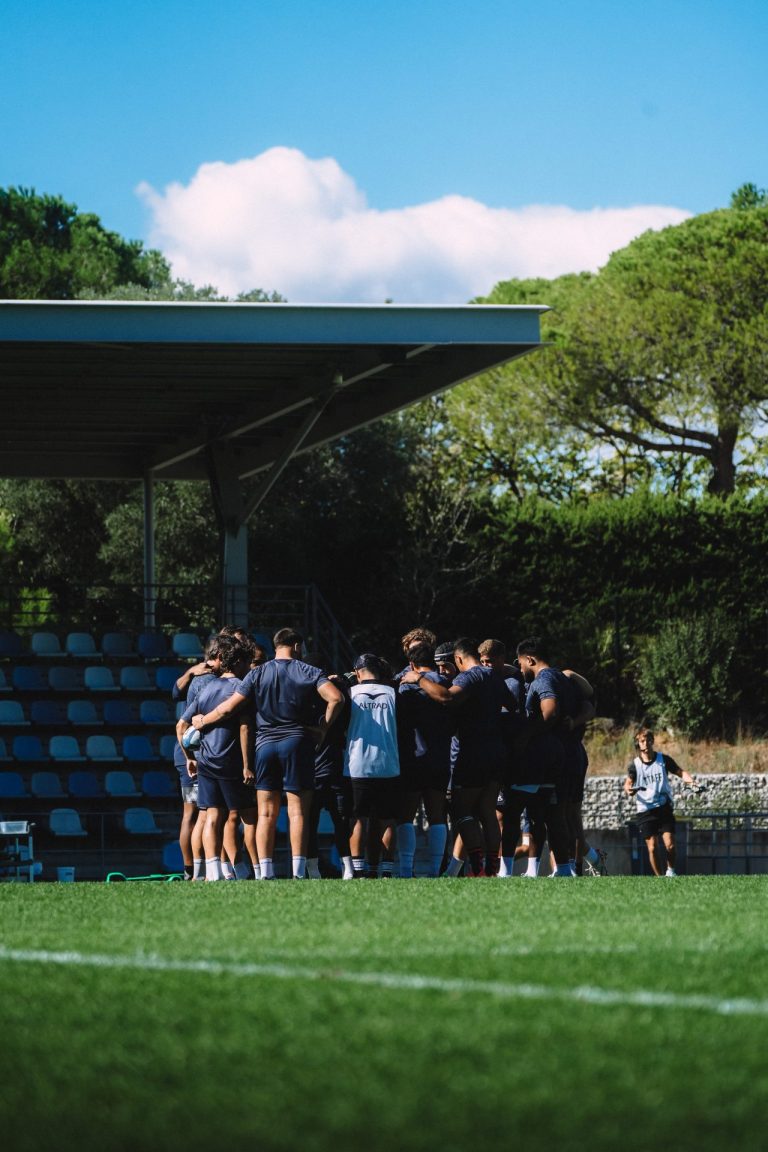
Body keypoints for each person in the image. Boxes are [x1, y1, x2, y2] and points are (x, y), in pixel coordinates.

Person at [193, 628, 344, 879]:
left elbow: (228, 709)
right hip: (296, 742)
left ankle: (266, 872)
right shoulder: (308, 670)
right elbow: (336, 698)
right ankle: (298, 872)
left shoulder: (258, 672)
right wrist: (322, 729)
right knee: (297, 811)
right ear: (296, 646)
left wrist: (202, 722)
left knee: (265, 813)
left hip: (264, 746)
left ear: (276, 647)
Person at [401, 638, 509, 877]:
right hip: (496, 751)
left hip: (473, 752)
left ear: (458, 658)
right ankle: (493, 866)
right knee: (487, 810)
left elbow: (447, 697)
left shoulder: (467, 677)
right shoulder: (493, 676)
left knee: (462, 810)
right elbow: (511, 705)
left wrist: (418, 679)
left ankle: (478, 864)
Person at [177, 635, 256, 882]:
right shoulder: (241, 689)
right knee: (250, 816)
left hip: (207, 760)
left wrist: (190, 757)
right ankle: (256, 871)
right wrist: (247, 765)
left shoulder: (206, 687)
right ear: (240, 662)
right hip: (231, 759)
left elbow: (181, 726)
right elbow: (244, 728)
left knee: (213, 815)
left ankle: (213, 872)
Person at [396, 642, 454, 877]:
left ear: (412, 664)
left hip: (412, 756)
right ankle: (434, 869)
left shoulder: (405, 686)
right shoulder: (445, 682)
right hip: (440, 756)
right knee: (437, 814)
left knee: (406, 815)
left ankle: (405, 869)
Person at [343, 653, 402, 877]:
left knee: (358, 818)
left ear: (358, 672)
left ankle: (358, 870)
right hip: (388, 764)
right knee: (387, 820)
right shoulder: (393, 693)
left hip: (357, 764)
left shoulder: (350, 693)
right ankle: (386, 870)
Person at [625, 727, 698, 876]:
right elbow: (628, 783)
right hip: (645, 810)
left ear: (652, 741)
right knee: (652, 847)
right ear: (638, 744)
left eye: (647, 740)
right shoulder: (635, 765)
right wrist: (630, 790)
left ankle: (670, 872)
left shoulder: (663, 760)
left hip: (663, 807)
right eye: (642, 741)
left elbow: (680, 772)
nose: (645, 743)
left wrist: (692, 783)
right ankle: (660, 879)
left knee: (670, 845)